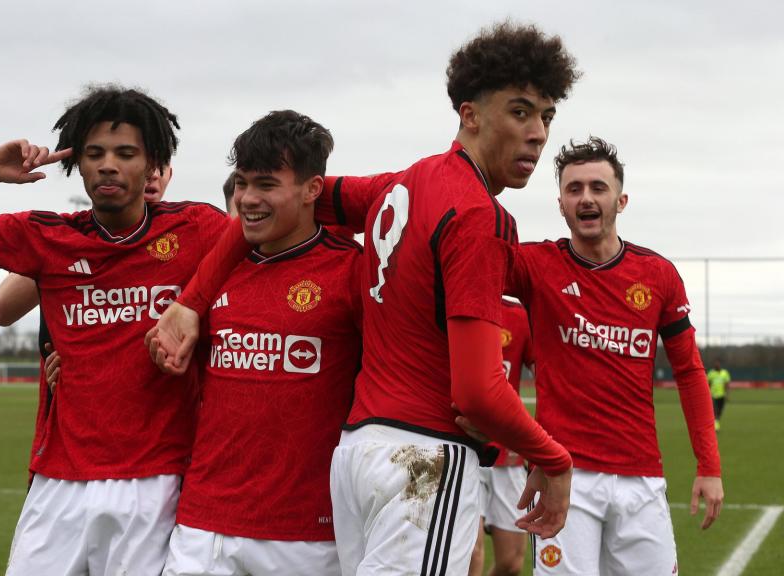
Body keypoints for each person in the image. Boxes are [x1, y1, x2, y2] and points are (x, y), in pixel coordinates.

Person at [148, 21, 581, 574]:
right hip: (424, 461)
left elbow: (273, 201)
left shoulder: (398, 185)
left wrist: (190, 301)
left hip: (356, 457)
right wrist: (555, 459)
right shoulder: (479, 215)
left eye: (546, 115)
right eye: (521, 111)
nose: (539, 132)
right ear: (469, 114)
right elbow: (476, 391)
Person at [0, 85, 228, 575]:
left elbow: (272, 235)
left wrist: (196, 314)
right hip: (59, 484)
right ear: (78, 165)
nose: (108, 165)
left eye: (125, 153)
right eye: (94, 154)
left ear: (153, 164)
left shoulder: (198, 228)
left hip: (156, 481)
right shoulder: (46, 236)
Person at [506, 137, 723, 575]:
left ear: (620, 200)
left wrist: (710, 465)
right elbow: (460, 262)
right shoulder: (534, 265)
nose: (586, 197)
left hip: (641, 477)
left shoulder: (657, 275)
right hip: (564, 476)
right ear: (561, 205)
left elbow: (689, 370)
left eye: (598, 188)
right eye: (574, 189)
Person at [162, 110, 362, 575]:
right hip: (202, 527)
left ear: (314, 189)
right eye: (241, 183)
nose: (248, 199)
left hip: (307, 536)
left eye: (266, 185)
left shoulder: (352, 271)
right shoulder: (212, 273)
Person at [0, 162, 174, 476]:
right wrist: (72, 244)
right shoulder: (71, 243)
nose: (154, 174)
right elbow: (0, 309)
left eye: (162, 166)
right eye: (144, 163)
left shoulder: (185, 242)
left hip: (155, 455)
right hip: (66, 447)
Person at [469, 297, 535, 576]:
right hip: (465, 451)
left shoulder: (518, 316)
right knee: (469, 554)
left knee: (511, 564)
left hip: (507, 456)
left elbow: (549, 374)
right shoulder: (449, 305)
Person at [707, 360, 731, 431]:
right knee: (715, 411)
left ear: (720, 364)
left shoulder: (725, 373)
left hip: (722, 395)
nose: (717, 365)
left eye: (718, 363)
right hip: (713, 395)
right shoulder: (711, 373)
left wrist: (728, 394)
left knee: (720, 411)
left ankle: (716, 423)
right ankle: (716, 427)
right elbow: (708, 384)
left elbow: (727, 385)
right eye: (715, 364)